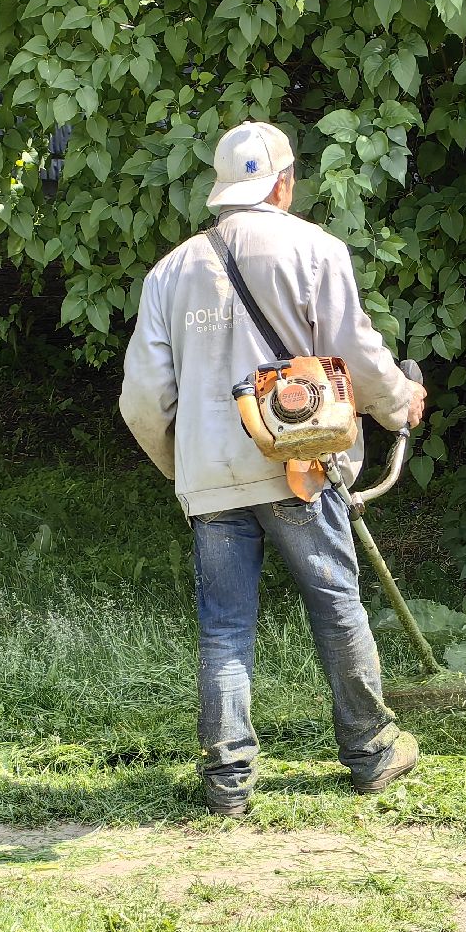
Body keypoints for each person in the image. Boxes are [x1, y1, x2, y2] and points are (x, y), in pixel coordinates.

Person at [119, 120, 427, 816]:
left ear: (225, 190)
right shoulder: (315, 249)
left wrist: (184, 466)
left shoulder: (170, 272)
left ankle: (228, 783)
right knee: (335, 606)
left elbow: (143, 399)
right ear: (285, 183)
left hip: (213, 479)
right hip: (303, 468)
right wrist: (400, 403)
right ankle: (372, 751)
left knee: (224, 627)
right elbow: (357, 350)